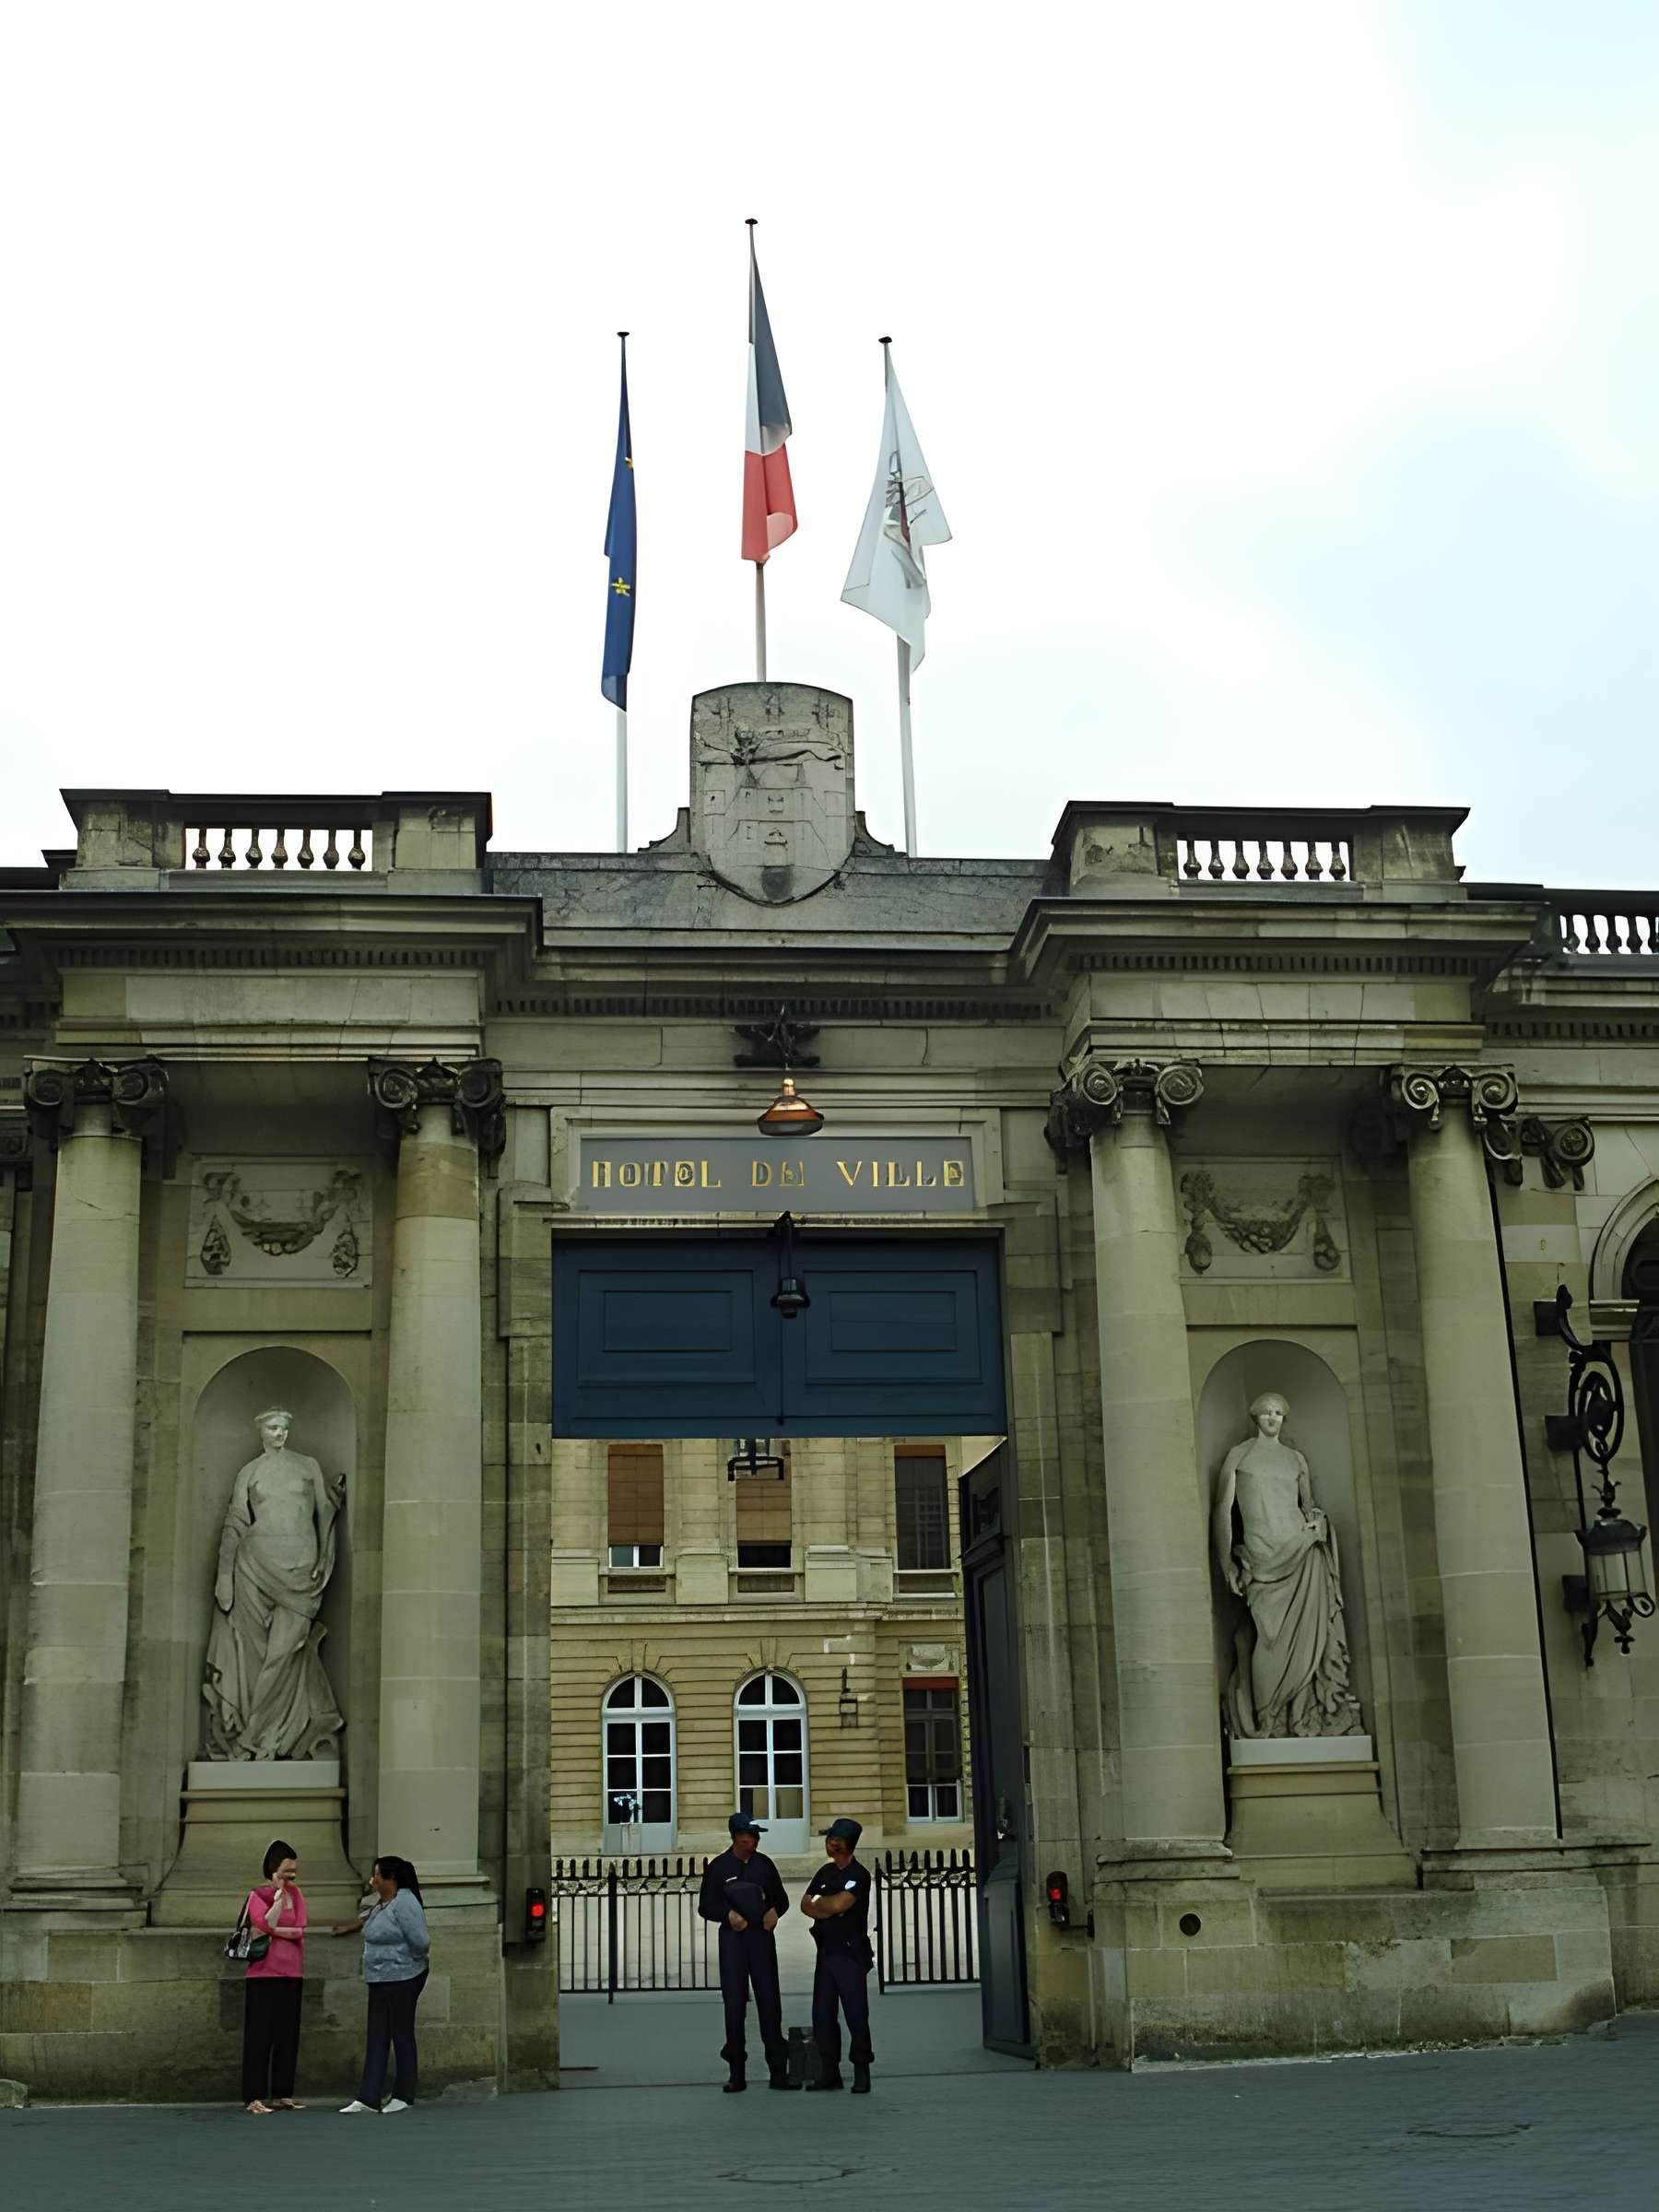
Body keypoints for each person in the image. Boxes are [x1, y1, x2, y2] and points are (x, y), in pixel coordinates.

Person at [698, 1812, 794, 2093]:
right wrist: (727, 1915)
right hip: (733, 1943)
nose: (752, 1842)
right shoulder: (718, 1867)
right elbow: (706, 1906)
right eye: (747, 1837)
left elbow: (783, 1899)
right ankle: (736, 2072)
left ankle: (778, 2071)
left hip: (761, 1942)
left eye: (755, 1837)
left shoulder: (765, 1865)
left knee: (770, 2004)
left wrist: (775, 1912)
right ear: (736, 1838)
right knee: (734, 2007)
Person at [334, 1855, 430, 2114]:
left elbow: (421, 1942)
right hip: (379, 1978)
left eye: (377, 1875)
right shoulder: (382, 1903)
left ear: (391, 1879)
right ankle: (368, 2097)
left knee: (401, 2034)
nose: (372, 1880)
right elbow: (372, 1925)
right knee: (377, 2036)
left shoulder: (406, 1902)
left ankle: (404, 2094)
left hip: (403, 1978)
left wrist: (402, 1962)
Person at [800, 1818, 874, 2095]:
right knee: (822, 2014)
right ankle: (829, 2073)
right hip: (826, 1952)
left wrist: (826, 1904)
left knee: (856, 2014)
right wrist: (827, 1906)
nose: (830, 1843)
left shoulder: (859, 1874)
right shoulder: (825, 1872)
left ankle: (862, 2071)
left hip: (850, 1953)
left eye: (836, 1839)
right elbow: (806, 1905)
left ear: (848, 1844)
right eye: (829, 1838)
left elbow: (842, 1903)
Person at [241, 1838, 308, 2115]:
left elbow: (301, 1929)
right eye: (286, 1871)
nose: (290, 1876)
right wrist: (278, 1901)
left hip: (292, 1971)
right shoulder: (258, 1895)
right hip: (263, 1974)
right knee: (259, 2035)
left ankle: (283, 2092)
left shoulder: (298, 1894)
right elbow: (264, 1923)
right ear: (273, 1869)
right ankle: (253, 2096)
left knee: (287, 2034)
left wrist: (277, 1930)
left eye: (293, 1871)